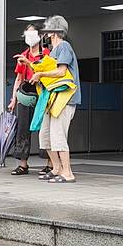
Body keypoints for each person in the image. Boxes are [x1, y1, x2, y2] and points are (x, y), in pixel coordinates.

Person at [19, 15, 80, 183]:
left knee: (58, 135)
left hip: (64, 99)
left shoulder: (64, 47)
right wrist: (30, 65)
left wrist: (40, 73)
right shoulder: (54, 51)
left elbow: (61, 72)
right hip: (52, 100)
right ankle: (56, 168)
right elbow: (47, 71)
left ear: (53, 32)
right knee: (45, 135)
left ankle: (67, 172)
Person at [7, 25, 51, 176]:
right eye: (27, 33)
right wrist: (13, 99)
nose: (29, 36)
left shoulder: (46, 54)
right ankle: (22, 164)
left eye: (32, 33)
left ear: (39, 36)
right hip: (25, 94)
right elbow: (18, 79)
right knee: (22, 128)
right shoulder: (23, 55)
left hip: (42, 93)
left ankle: (50, 164)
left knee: (45, 128)